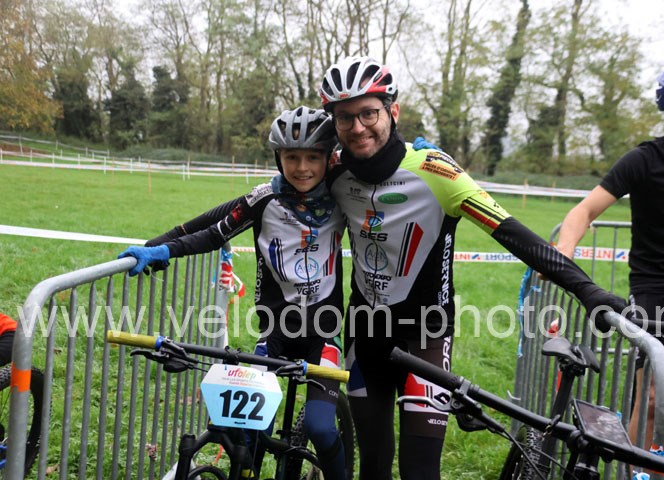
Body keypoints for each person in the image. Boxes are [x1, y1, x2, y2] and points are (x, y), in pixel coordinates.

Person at [318, 55, 626, 480]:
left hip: (425, 334)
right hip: (364, 334)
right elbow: (286, 196)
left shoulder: (435, 170)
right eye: (344, 117)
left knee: (419, 472)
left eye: (368, 113)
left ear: (393, 111)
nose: (357, 127)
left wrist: (587, 290)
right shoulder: (333, 172)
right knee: (373, 465)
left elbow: (513, 233)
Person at [118, 106, 347, 479]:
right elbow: (212, 233)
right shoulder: (264, 199)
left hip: (325, 332)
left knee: (321, 428)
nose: (302, 167)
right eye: (292, 157)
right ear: (278, 157)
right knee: (248, 428)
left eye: (312, 157)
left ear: (328, 158)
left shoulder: (343, 195)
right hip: (274, 330)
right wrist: (162, 250)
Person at [555, 59, 664, 450]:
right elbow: (584, 211)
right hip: (654, 285)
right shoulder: (645, 159)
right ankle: (641, 473)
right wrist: (563, 252)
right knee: (651, 398)